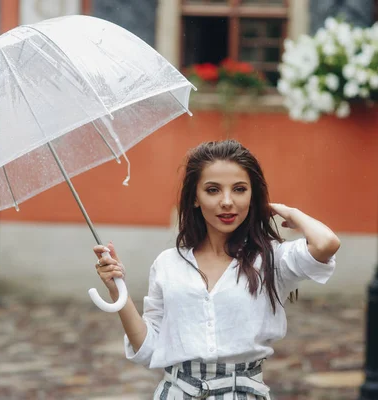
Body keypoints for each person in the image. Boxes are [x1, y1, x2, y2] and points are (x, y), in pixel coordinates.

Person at [93, 140, 340, 399]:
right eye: (212, 190)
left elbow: (327, 243)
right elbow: (147, 348)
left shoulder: (272, 258)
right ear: (195, 198)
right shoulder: (168, 264)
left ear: (252, 195)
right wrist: (116, 288)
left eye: (239, 189)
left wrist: (290, 212)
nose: (226, 201)